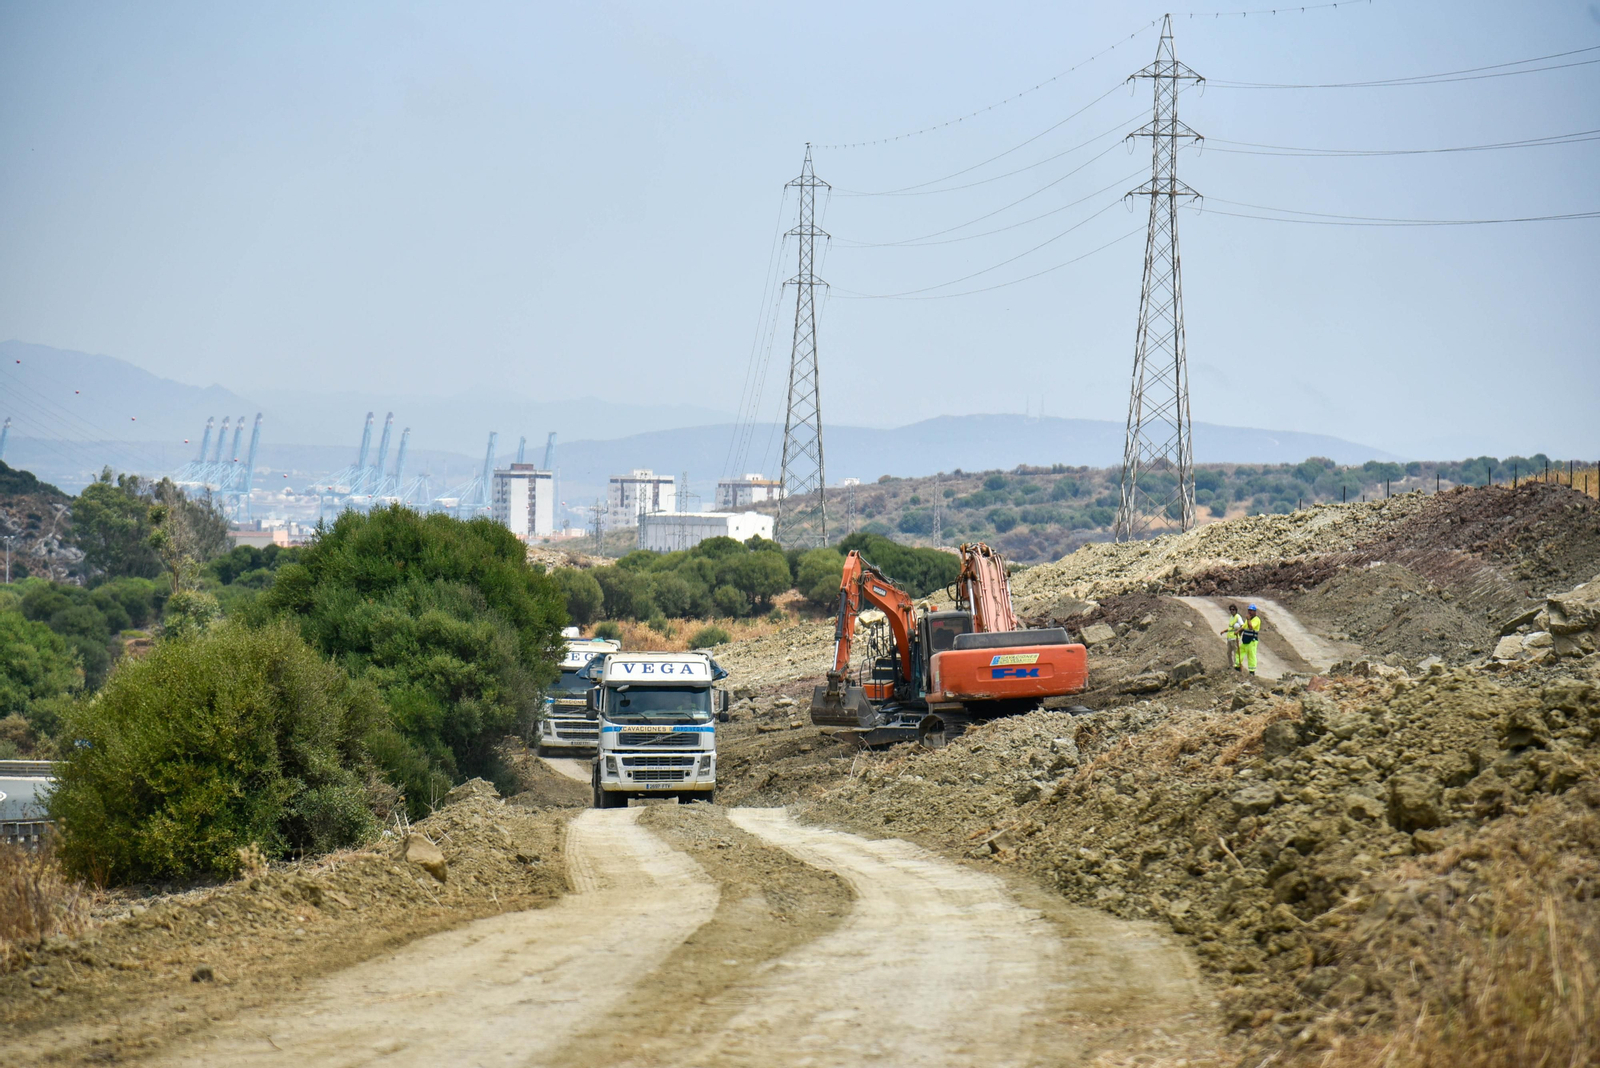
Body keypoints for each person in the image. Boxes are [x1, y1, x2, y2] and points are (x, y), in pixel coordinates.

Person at [1239, 604, 1263, 676]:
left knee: (1251, 655)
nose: (1250, 612)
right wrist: (1238, 631)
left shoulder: (1257, 620)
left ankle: (1252, 671)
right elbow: (1244, 627)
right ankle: (1237, 666)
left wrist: (1248, 619)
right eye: (1249, 610)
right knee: (1239, 652)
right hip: (1245, 640)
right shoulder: (1248, 620)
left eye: (1251, 611)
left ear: (1255, 612)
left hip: (1252, 641)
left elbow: (1250, 627)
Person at [1222, 604, 1245, 673]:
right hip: (1229, 638)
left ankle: (1237, 666)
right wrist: (1224, 631)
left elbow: (1242, 626)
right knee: (1228, 652)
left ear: (1236, 610)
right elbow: (1230, 628)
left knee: (1236, 652)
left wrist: (1238, 631)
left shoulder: (1238, 617)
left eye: (1233, 610)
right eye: (1231, 610)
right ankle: (1230, 665)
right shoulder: (1231, 617)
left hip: (1235, 638)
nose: (1232, 611)